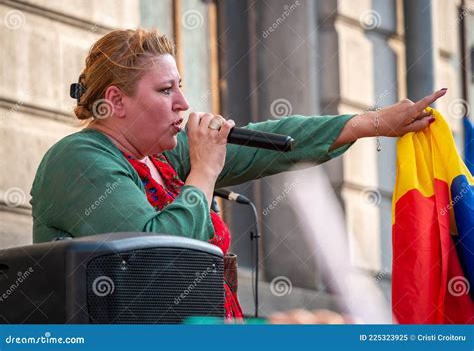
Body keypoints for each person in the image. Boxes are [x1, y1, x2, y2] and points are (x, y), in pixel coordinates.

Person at [30, 29, 446, 320]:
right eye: (164, 90)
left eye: (180, 87)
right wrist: (206, 169)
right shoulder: (80, 157)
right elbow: (153, 259)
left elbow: (271, 144)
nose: (183, 103)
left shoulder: (162, 160)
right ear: (116, 101)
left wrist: (371, 122)